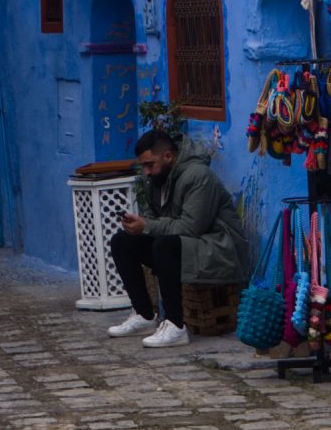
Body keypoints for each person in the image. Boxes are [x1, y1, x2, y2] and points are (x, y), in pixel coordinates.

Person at [107, 127, 251, 348]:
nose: (146, 172)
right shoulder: (157, 179)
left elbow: (191, 227)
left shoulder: (199, 176)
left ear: (168, 156)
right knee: (122, 241)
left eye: (150, 165)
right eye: (143, 166)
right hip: (189, 246)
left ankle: (175, 326)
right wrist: (138, 226)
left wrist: (147, 226)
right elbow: (151, 219)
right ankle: (144, 315)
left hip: (220, 249)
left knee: (164, 245)